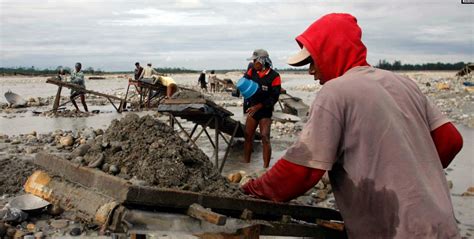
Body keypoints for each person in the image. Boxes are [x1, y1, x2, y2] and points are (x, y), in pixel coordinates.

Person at [241, 13, 463, 238]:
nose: (310, 71)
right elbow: (451, 141)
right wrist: (412, 175)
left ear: (331, 52)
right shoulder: (404, 83)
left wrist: (250, 190)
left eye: (312, 61)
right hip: (443, 225)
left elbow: (303, 170)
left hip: (396, 230)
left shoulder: (335, 92)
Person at [243, 49, 281, 168]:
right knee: (248, 136)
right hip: (252, 109)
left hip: (265, 110)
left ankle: (265, 168)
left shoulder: (274, 76)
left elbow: (274, 97)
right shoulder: (252, 71)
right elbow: (244, 81)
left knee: (265, 137)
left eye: (255, 61)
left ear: (262, 61)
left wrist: (260, 105)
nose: (253, 63)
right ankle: (246, 165)